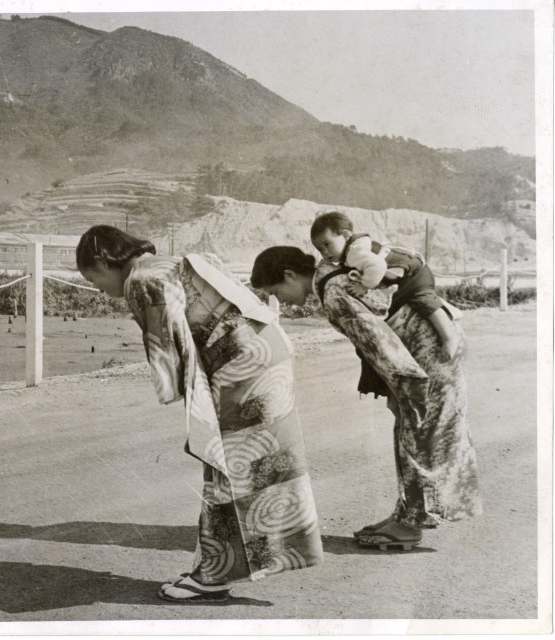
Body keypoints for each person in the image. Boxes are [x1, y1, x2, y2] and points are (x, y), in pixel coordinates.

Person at [77, 225, 323, 603]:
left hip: (240, 363)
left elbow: (167, 348)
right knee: (260, 464)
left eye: (93, 278)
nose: (97, 288)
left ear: (102, 261)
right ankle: (221, 565)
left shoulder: (142, 279)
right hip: (265, 349)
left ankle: (213, 575)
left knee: (226, 465)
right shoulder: (166, 262)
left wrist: (179, 392)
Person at [250, 246, 482, 551]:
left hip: (431, 352)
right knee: (413, 432)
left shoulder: (333, 293)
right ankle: (407, 515)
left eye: (275, 292)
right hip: (427, 347)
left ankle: (410, 526)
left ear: (290, 275)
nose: (279, 300)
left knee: (420, 435)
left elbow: (378, 343)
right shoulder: (329, 277)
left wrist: (404, 390)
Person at [310, 211, 459, 359]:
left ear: (346, 235)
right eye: (320, 249)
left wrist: (364, 286)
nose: (325, 252)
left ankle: (449, 337)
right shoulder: (350, 252)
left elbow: (378, 266)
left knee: (423, 299)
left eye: (327, 244)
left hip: (414, 273)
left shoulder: (355, 252)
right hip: (399, 277)